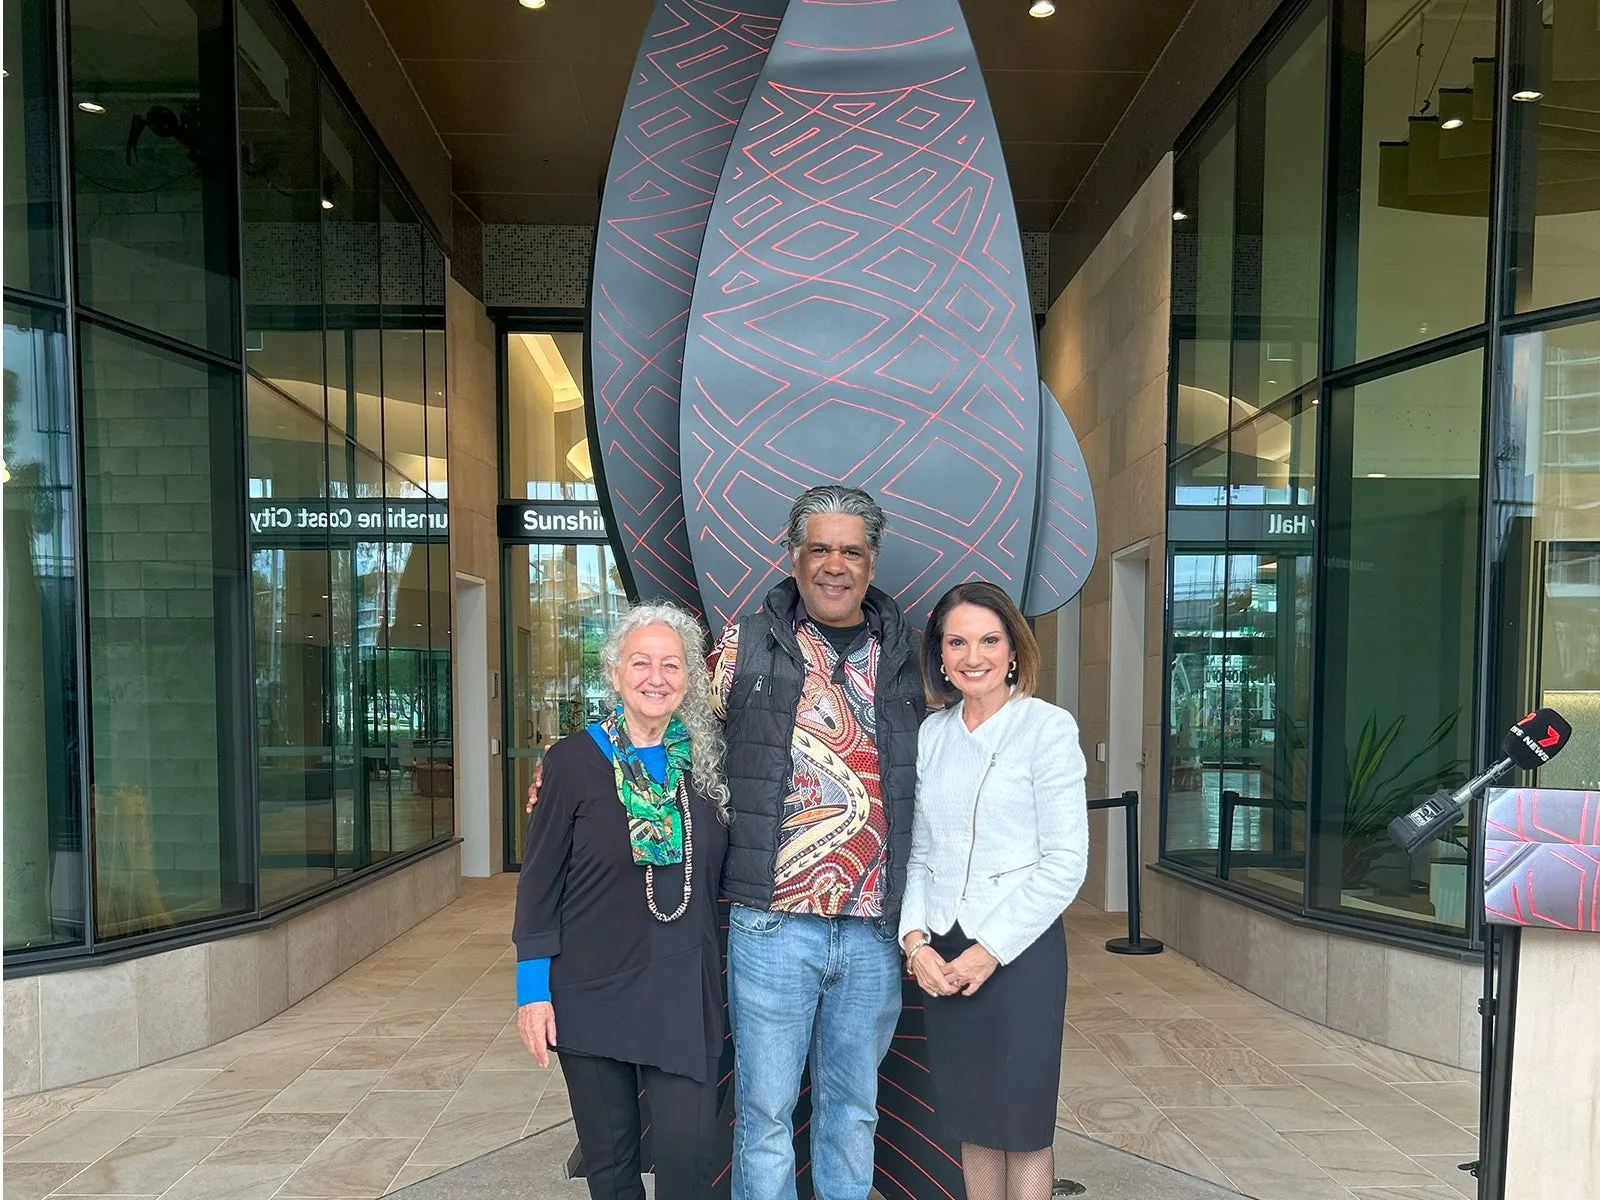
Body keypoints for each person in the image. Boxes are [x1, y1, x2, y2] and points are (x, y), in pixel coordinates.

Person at [709, 485, 925, 1200]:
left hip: (872, 930)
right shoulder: (742, 646)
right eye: (821, 548)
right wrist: (572, 771)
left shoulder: (911, 657)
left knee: (852, 1113)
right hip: (771, 924)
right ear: (794, 554)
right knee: (766, 1114)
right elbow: (676, 741)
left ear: (872, 561)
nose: (836, 564)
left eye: (852, 550)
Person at [513, 603, 731, 1200]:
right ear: (615, 673)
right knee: (611, 1171)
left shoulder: (710, 766)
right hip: (590, 986)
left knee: (687, 1167)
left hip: (683, 990)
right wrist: (533, 992)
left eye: (671, 664)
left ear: (689, 679)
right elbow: (538, 882)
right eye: (640, 662)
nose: (655, 676)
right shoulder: (572, 762)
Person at [899, 581, 1088, 1200]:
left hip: (1019, 952)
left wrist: (989, 951)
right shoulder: (933, 735)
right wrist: (915, 940)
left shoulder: (1047, 728)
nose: (972, 655)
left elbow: (1065, 862)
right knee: (974, 1120)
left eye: (988, 639)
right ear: (941, 654)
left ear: (1013, 650)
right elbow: (920, 852)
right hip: (945, 952)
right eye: (957, 641)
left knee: (1024, 1127)